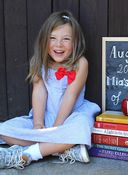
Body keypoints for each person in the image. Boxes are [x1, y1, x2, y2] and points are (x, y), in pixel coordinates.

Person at [0, 10, 100, 169]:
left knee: (82, 129)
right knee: (3, 130)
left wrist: (57, 127)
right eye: (52, 38)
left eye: (66, 39)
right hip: (45, 117)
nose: (58, 44)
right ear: (43, 41)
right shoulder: (40, 62)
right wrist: (38, 124)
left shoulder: (80, 63)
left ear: (76, 42)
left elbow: (70, 96)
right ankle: (61, 149)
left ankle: (27, 154)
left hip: (70, 117)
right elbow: (39, 93)